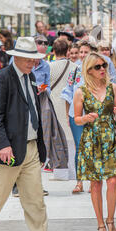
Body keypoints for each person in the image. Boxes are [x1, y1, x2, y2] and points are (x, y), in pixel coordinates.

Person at [0, 37, 60, 231]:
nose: (33, 63)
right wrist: (2, 144)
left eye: (35, 59)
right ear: (16, 57)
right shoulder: (2, 78)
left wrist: (41, 149)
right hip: (7, 151)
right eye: (29, 59)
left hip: (30, 149)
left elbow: (35, 114)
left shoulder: (30, 77)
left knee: (36, 202)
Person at [73, 52, 116, 231]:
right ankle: (100, 224)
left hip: (110, 138)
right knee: (95, 183)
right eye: (97, 67)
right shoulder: (81, 91)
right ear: (88, 70)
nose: (102, 69)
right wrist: (84, 118)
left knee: (113, 182)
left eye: (104, 65)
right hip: (91, 140)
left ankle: (111, 221)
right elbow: (76, 119)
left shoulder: (114, 88)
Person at [61, 40, 93, 193]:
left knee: (93, 147)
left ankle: (94, 181)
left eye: (86, 52)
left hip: (94, 116)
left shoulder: (99, 69)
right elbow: (68, 93)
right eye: (81, 52)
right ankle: (79, 182)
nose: (82, 55)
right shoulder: (75, 71)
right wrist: (68, 115)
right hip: (77, 116)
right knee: (79, 147)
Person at [49, 38, 77, 181]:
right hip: (70, 107)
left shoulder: (49, 67)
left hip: (54, 107)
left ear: (53, 51)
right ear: (67, 51)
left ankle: (60, 172)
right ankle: (73, 172)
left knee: (57, 140)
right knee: (71, 140)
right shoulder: (75, 67)